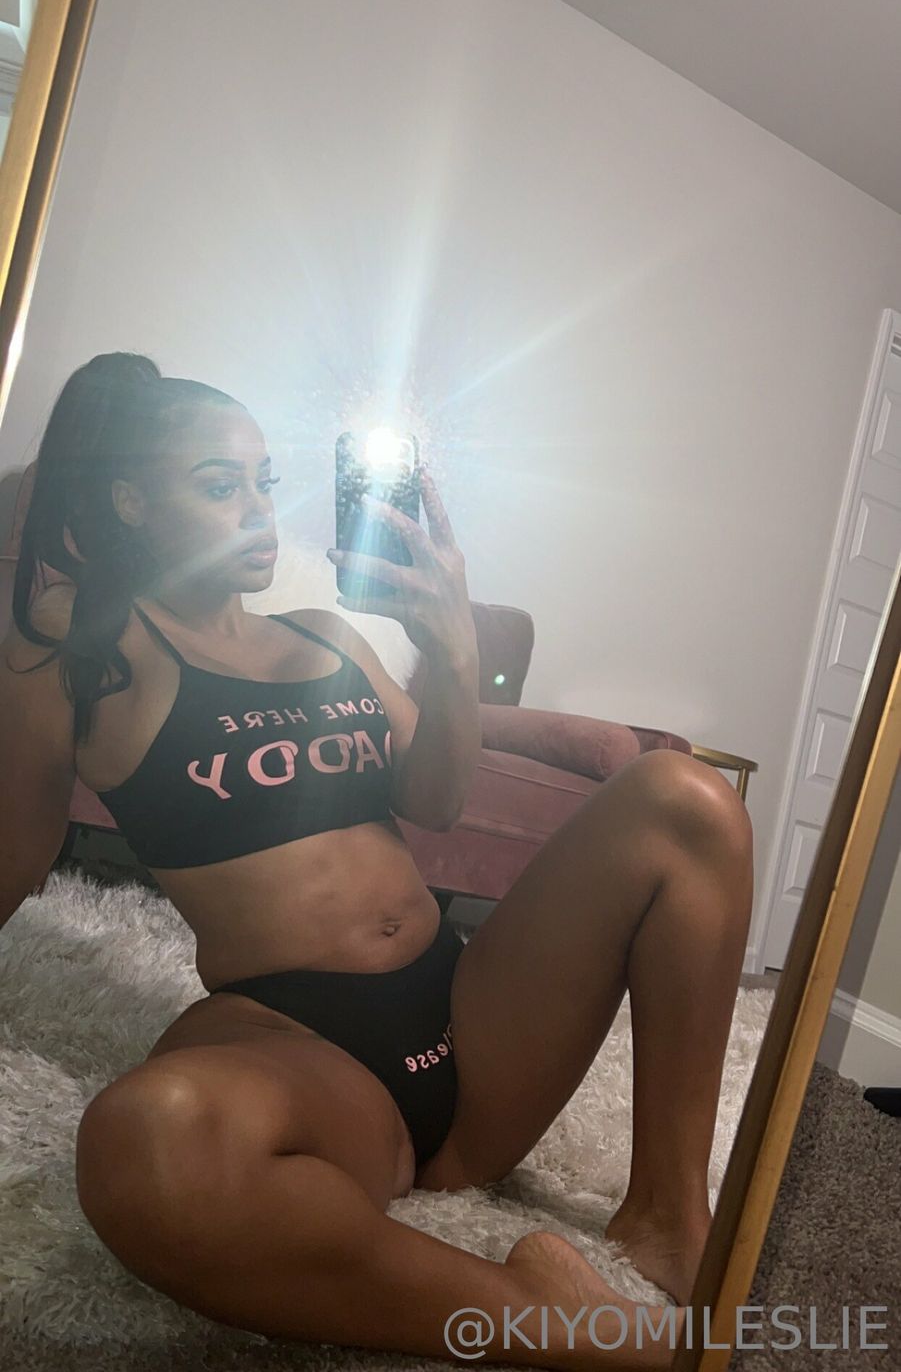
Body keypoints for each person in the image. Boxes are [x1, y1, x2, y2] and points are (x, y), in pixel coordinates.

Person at [0, 351, 753, 1369]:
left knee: (685, 800)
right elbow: (19, 843)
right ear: (131, 499)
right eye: (219, 486)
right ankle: (557, 1323)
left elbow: (433, 799)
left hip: (467, 1010)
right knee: (152, 1143)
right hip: (298, 1040)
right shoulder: (83, 644)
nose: (258, 509)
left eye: (265, 481)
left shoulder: (324, 637)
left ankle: (667, 1210)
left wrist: (447, 649)